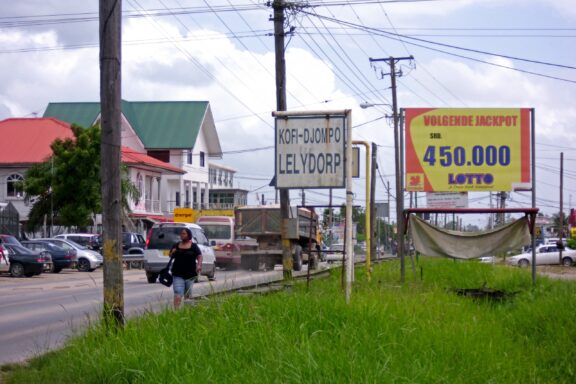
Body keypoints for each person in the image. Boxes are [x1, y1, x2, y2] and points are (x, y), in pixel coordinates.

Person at [169, 228, 203, 309]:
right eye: (181, 234)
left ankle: (188, 312)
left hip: (190, 274)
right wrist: (172, 252)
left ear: (188, 235)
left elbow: (199, 256)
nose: (182, 235)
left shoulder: (194, 246)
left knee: (187, 294)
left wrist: (199, 265)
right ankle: (176, 312)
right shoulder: (176, 245)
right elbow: (170, 255)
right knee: (178, 292)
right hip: (177, 273)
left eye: (184, 234)